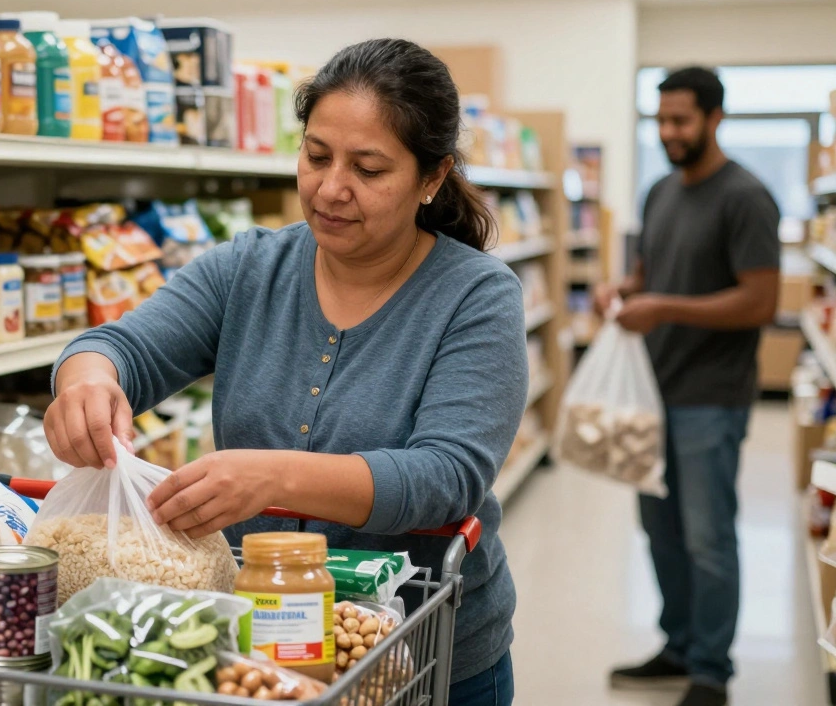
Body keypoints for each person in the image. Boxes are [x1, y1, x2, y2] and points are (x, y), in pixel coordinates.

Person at [43, 38, 526, 706]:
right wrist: (87, 381)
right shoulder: (249, 268)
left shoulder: (476, 296)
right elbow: (122, 346)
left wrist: (270, 477)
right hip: (263, 647)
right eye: (316, 155)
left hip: (423, 655)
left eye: (369, 168)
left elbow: (447, 475)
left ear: (432, 177)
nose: (331, 189)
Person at [599, 66, 780, 706]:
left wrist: (664, 307)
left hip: (712, 396)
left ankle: (710, 670)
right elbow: (648, 270)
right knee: (661, 530)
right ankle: (677, 644)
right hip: (653, 390)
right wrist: (623, 291)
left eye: (681, 120)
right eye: (662, 120)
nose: (669, 132)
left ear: (714, 118)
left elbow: (760, 301)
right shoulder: (660, 192)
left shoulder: (747, 197)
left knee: (708, 537)